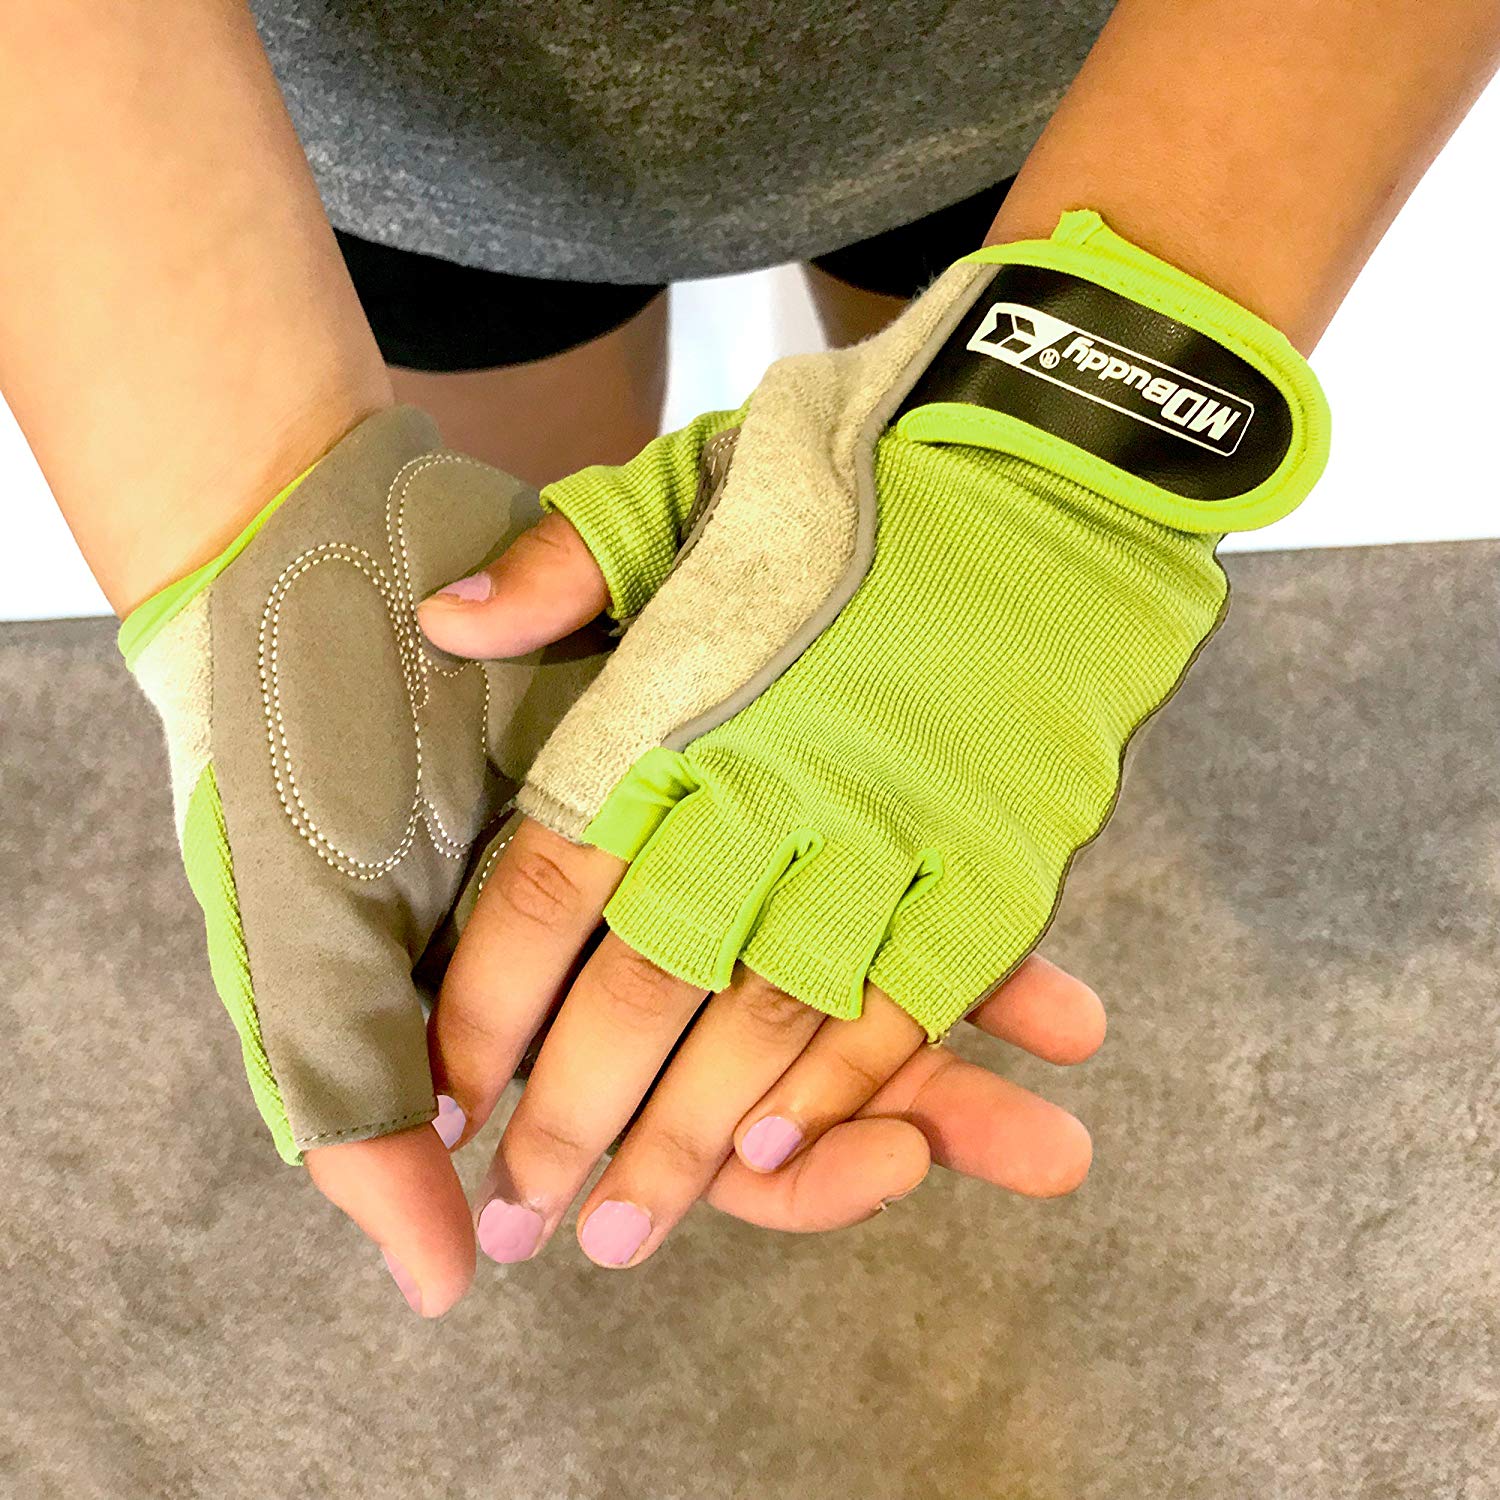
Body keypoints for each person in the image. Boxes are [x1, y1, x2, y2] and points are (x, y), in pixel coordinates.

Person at [1, 1, 1493, 1318]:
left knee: (892, 444)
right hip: (384, 122)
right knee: (526, 610)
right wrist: (286, 535)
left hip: (1073, 74)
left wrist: (1040, 487)